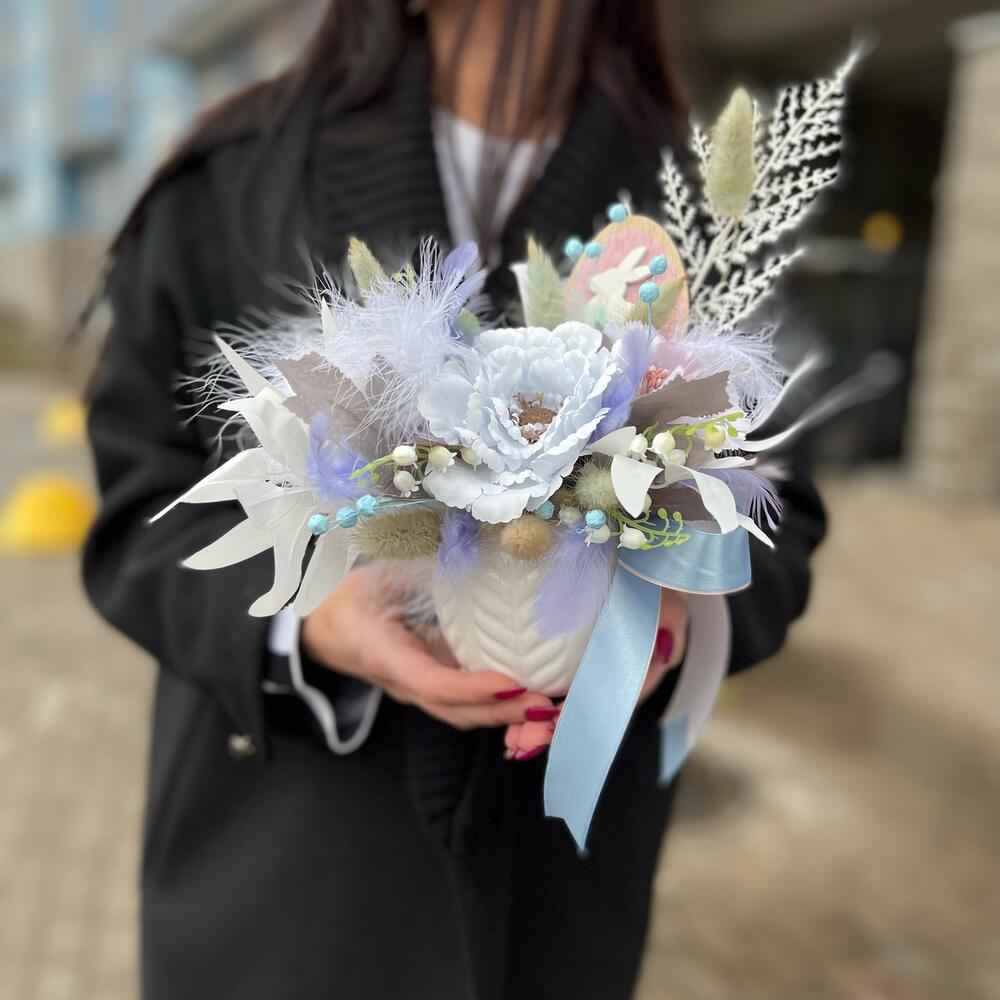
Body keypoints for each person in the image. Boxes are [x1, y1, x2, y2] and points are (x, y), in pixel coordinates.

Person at [83, 2, 826, 998]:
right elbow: (139, 509)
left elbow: (784, 508)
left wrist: (677, 607)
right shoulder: (238, 175)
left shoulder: (691, 212)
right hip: (283, 889)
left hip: (551, 909)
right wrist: (308, 620)